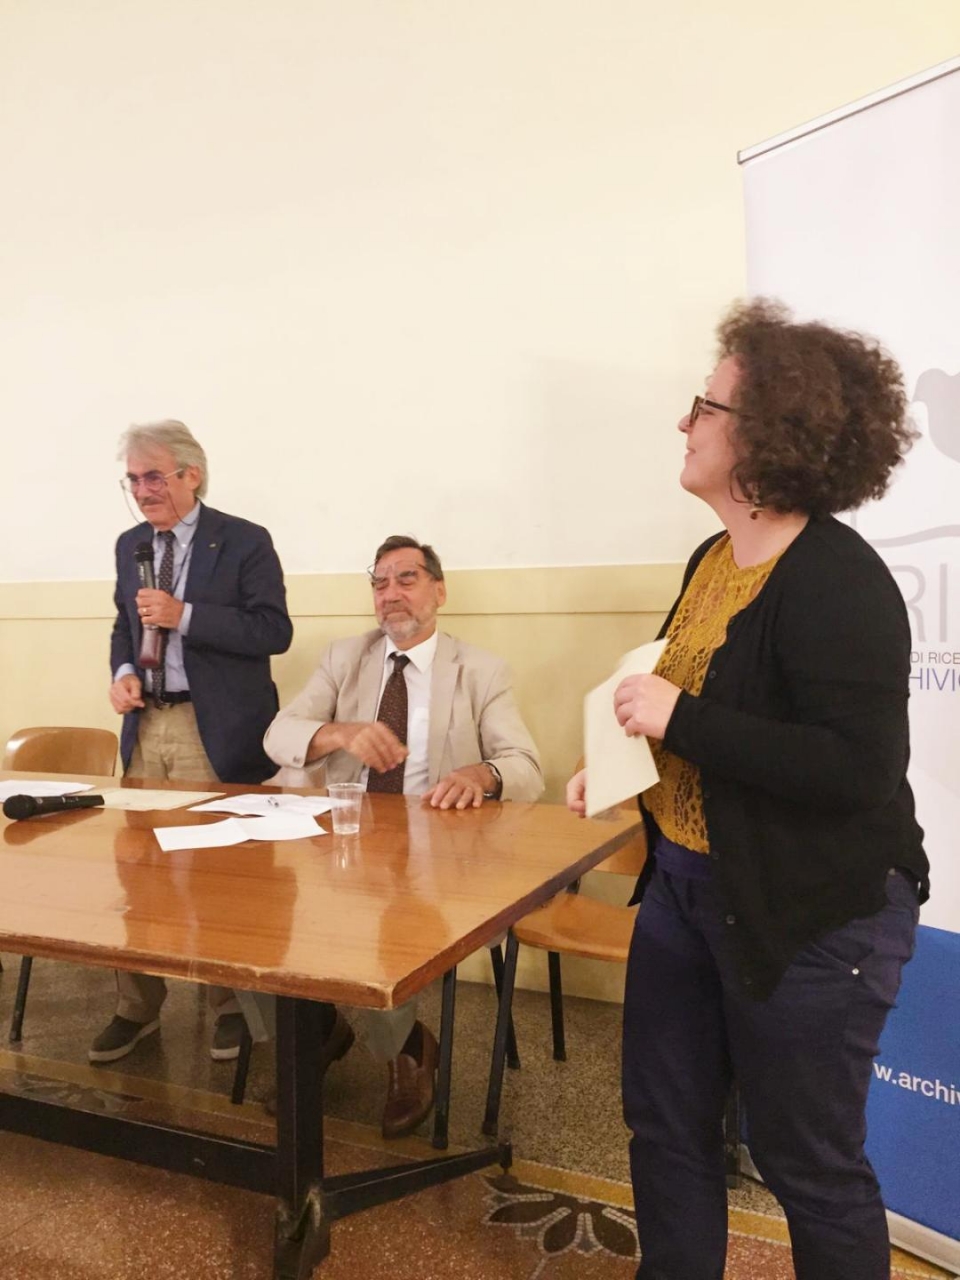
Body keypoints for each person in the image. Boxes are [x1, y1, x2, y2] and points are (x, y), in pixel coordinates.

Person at [567, 300, 929, 1280]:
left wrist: (679, 721)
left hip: (811, 910)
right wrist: (620, 764)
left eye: (705, 407)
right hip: (685, 891)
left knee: (807, 1162)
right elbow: (694, 706)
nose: (684, 423)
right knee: (665, 1126)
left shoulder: (838, 579)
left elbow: (853, 769)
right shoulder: (712, 560)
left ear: (768, 433)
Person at [265, 534, 543, 1135]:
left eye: (406, 578)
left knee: (384, 917)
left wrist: (481, 774)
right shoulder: (345, 658)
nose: (390, 593)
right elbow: (279, 734)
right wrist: (338, 734)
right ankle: (319, 1028)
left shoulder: (481, 670)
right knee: (253, 908)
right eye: (379, 582)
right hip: (340, 843)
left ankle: (405, 1050)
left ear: (439, 591)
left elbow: (525, 766)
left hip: (434, 853)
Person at [90, 419, 293, 1067]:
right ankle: (136, 1006)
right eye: (133, 479)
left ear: (191, 474)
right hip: (148, 723)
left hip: (216, 726)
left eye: (153, 476)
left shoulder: (243, 540)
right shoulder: (130, 545)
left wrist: (187, 617)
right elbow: (124, 626)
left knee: (222, 874)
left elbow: (274, 631)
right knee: (138, 869)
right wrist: (124, 672)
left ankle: (231, 1005)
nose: (142, 490)